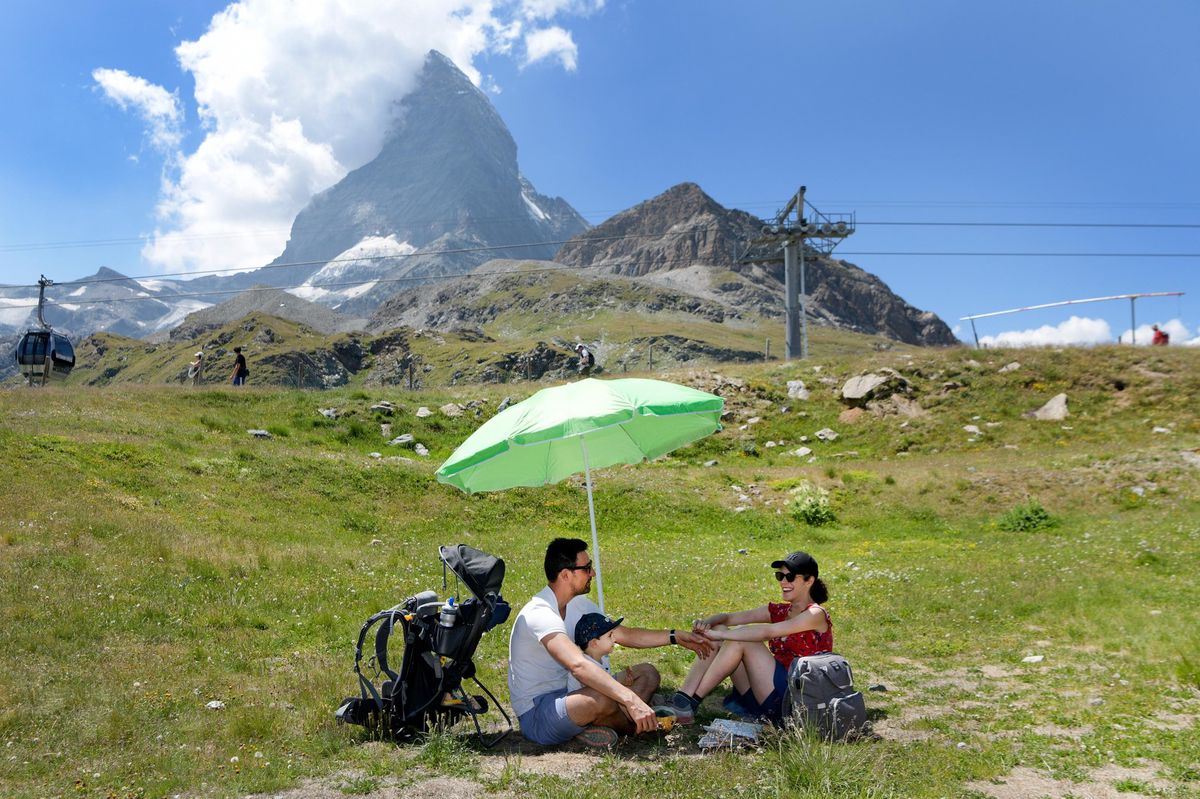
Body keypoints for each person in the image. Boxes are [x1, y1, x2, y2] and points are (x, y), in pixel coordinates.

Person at [507, 537, 713, 747]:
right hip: (539, 713)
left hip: (573, 692)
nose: (593, 573)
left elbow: (624, 634)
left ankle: (597, 725)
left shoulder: (578, 604)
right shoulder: (540, 614)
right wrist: (629, 699)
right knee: (601, 697)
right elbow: (578, 665)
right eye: (587, 568)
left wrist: (675, 636)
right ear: (566, 574)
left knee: (647, 673)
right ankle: (638, 728)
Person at [668, 550, 832, 725]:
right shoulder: (781, 611)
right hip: (768, 690)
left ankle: (691, 704)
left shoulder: (816, 614)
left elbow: (767, 632)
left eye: (790, 577)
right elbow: (728, 617)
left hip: (794, 700)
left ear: (809, 580)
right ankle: (683, 697)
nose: (783, 581)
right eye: (780, 576)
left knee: (739, 638)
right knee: (721, 628)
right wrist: (706, 624)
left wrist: (722, 634)